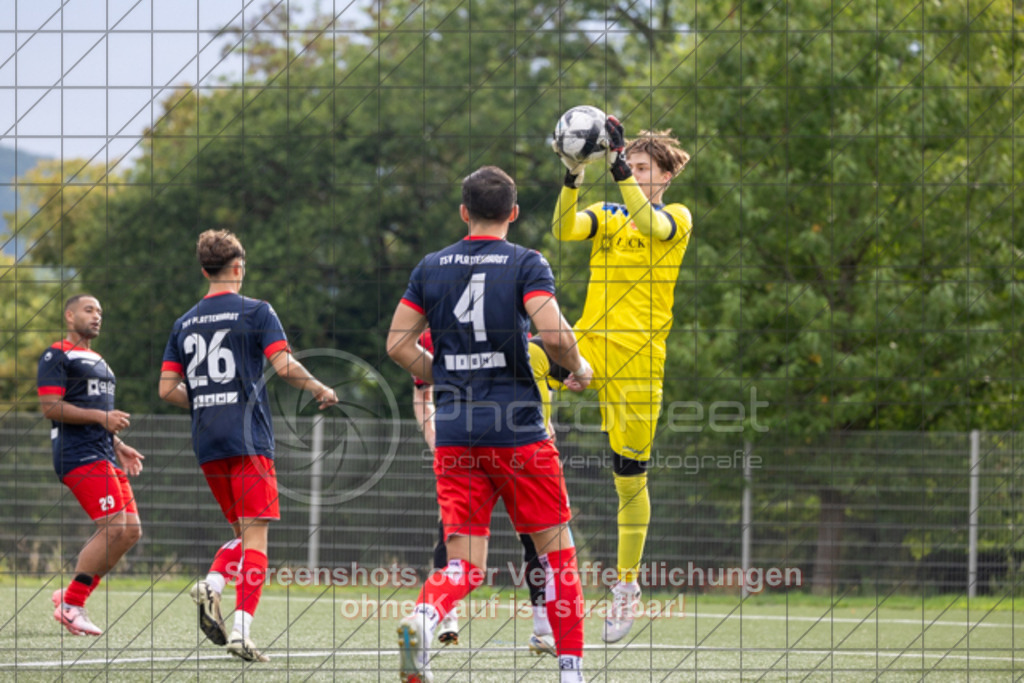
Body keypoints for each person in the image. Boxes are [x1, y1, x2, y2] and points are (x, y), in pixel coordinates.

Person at [388, 166, 593, 683]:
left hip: (455, 433)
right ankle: (571, 672)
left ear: (464, 212)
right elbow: (551, 333)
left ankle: (425, 617)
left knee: (464, 567)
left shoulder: (431, 266)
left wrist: (446, 373)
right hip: (519, 433)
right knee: (558, 557)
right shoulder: (526, 262)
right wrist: (577, 368)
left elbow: (396, 344)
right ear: (514, 214)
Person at [158, 229, 338, 662]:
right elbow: (282, 363)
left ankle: (214, 584)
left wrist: (205, 404)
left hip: (208, 440)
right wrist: (317, 386)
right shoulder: (256, 311)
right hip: (248, 439)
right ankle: (242, 629)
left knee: (241, 533)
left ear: (204, 270)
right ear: (238, 268)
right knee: (256, 539)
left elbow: (167, 389)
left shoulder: (183, 322)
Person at [551, 117, 693, 642]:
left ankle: (626, 587)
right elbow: (563, 230)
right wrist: (572, 175)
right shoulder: (610, 216)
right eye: (628, 165)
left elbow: (652, 226)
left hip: (640, 363)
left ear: (664, 177)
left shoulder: (677, 217)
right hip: (587, 344)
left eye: (640, 168)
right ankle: (531, 446)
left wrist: (614, 171)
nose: (631, 173)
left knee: (629, 478)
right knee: (526, 362)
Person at [412, 328, 560, 656]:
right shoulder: (437, 335)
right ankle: (450, 617)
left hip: (477, 442)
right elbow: (421, 395)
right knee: (535, 538)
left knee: (469, 545)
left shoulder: (511, 326)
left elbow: (540, 384)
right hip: (506, 443)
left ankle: (428, 616)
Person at [37, 294, 145, 636]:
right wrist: (102, 416)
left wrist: (120, 445)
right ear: (70, 317)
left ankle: (69, 596)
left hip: (103, 453)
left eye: (100, 311)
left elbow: (101, 418)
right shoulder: (57, 354)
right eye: (89, 310)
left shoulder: (100, 361)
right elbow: (51, 407)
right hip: (77, 454)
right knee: (113, 528)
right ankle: (72, 606)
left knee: (129, 532)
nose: (97, 316)